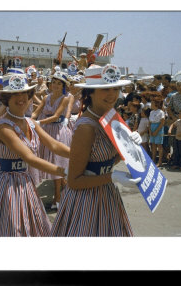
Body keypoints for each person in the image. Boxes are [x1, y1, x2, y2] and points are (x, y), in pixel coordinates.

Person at [0, 69, 70, 237]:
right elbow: (29, 157)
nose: (21, 98)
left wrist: (80, 155)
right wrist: (66, 171)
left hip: (24, 180)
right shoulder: (4, 127)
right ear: (6, 99)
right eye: (15, 94)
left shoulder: (31, 122)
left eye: (24, 93)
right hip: (7, 184)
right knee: (11, 227)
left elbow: (53, 145)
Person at [49, 64, 142, 237]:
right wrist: (112, 176)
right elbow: (74, 181)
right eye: (105, 89)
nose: (112, 94)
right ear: (90, 92)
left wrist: (131, 146)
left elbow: (108, 159)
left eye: (115, 88)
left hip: (106, 194)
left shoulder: (111, 116)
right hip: (86, 200)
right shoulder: (86, 127)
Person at [32, 71, 72, 209]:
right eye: (54, 82)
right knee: (50, 161)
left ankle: (58, 197)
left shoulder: (65, 98)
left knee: (57, 161)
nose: (55, 85)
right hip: (46, 130)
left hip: (58, 131)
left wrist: (38, 123)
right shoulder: (45, 98)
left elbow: (55, 116)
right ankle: (63, 193)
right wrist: (28, 119)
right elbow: (35, 113)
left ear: (63, 86)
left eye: (59, 83)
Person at [149, 96, 165, 167]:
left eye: (152, 103)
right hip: (152, 127)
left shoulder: (161, 112)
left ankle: (160, 161)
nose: (151, 105)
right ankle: (153, 159)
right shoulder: (151, 112)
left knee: (159, 145)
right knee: (153, 145)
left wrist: (156, 131)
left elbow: (162, 123)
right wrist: (150, 130)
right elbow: (149, 122)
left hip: (158, 128)